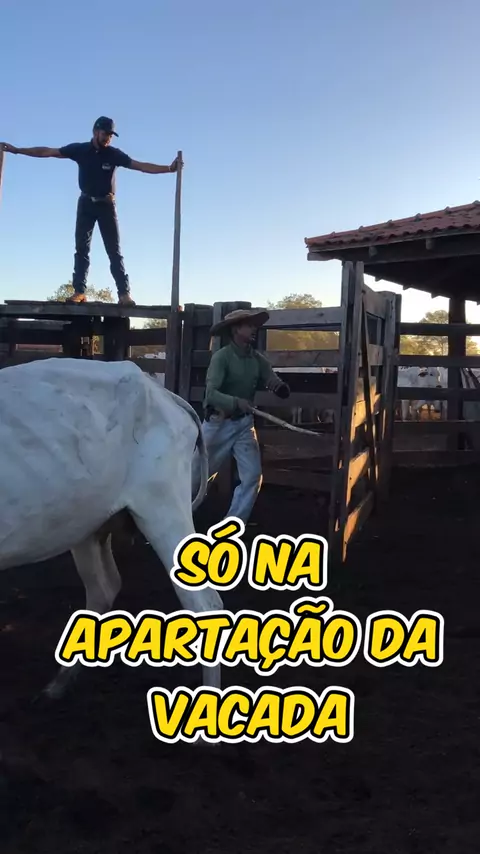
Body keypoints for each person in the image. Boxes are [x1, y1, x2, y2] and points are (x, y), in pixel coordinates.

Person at [1, 117, 181, 307]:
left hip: (106, 206)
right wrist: (17, 150)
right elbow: (48, 152)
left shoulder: (114, 154)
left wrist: (169, 169)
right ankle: (79, 291)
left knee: (114, 251)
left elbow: (141, 166)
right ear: (95, 132)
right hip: (86, 204)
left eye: (111, 135)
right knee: (82, 248)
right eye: (105, 134)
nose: (108, 138)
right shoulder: (80, 150)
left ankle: (124, 294)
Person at [192, 308, 290, 525]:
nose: (254, 329)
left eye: (254, 325)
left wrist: (279, 387)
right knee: (196, 477)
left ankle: (233, 525)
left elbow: (269, 377)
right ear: (236, 329)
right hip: (218, 424)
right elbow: (211, 394)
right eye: (248, 325)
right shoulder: (222, 358)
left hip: (244, 425)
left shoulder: (256, 359)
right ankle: (177, 516)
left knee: (253, 476)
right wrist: (236, 402)